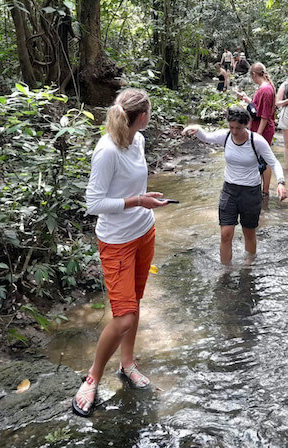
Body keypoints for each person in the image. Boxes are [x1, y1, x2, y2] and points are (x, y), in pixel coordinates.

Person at [73, 88, 170, 417]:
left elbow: (133, 186)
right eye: (150, 113)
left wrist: (145, 199)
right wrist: (137, 201)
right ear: (142, 116)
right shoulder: (106, 151)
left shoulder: (138, 139)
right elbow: (94, 204)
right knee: (123, 316)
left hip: (144, 231)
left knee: (135, 303)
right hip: (116, 241)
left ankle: (127, 364)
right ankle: (93, 377)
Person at [183, 106, 287, 265]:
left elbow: (273, 162)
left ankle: (249, 266)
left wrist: (280, 183)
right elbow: (207, 137)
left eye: (238, 128)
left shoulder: (256, 141)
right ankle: (225, 270)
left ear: (246, 125)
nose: (234, 131)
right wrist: (196, 129)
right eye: (231, 127)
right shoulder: (225, 136)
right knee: (225, 233)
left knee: (249, 232)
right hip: (229, 190)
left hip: (251, 192)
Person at [235, 62, 276, 195]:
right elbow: (257, 108)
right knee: (258, 159)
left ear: (253, 74)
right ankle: (258, 189)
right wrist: (247, 100)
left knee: (264, 160)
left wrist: (257, 135)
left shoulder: (265, 90)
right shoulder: (264, 88)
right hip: (258, 128)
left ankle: (265, 192)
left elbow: (264, 115)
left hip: (262, 129)